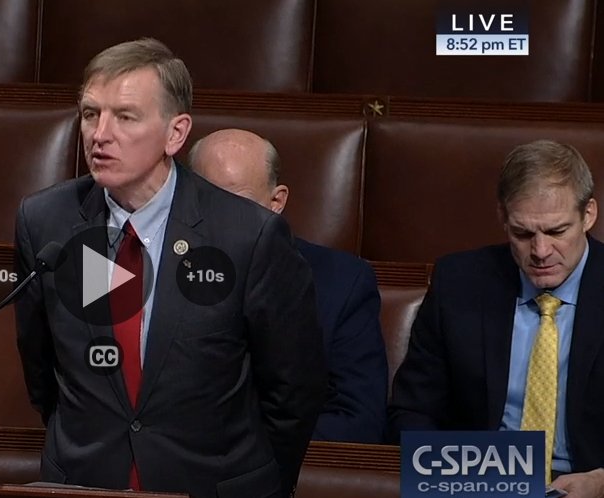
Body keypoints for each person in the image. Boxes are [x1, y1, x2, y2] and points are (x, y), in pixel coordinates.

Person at [13, 38, 328, 498]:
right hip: (85, 481)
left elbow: (293, 390)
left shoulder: (247, 236)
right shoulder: (45, 221)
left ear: (175, 134)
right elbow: (42, 370)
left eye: (125, 117)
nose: (100, 134)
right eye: (90, 114)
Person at [388, 140, 604, 498]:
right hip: (477, 481)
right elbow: (412, 413)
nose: (540, 251)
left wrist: (600, 483)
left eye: (556, 231)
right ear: (503, 217)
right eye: (523, 233)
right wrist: (469, 478)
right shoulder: (459, 283)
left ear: (589, 215)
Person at [188, 128, 388, 444]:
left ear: (276, 201)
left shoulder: (341, 282)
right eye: (205, 201)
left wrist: (243, 452)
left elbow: (357, 419)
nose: (221, 220)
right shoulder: (151, 267)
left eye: (238, 204)